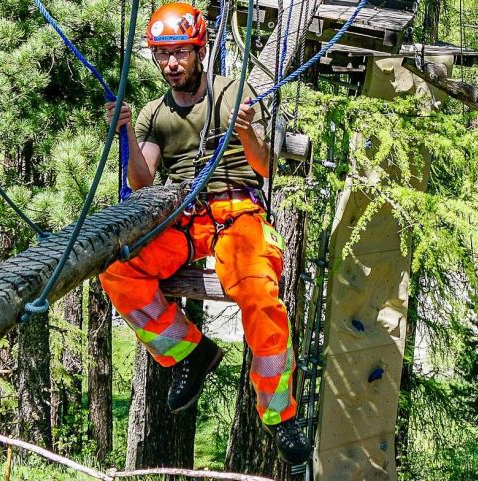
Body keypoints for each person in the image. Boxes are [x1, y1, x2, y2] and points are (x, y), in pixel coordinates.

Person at [99, 2, 312, 465]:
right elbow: (141, 180)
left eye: (180, 52)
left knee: (258, 294)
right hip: (185, 218)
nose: (172, 64)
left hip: (238, 211)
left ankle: (280, 415)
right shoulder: (155, 114)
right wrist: (126, 135)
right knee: (118, 272)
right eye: (162, 55)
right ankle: (190, 354)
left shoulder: (232, 92)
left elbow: (265, 168)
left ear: (199, 49)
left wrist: (250, 132)